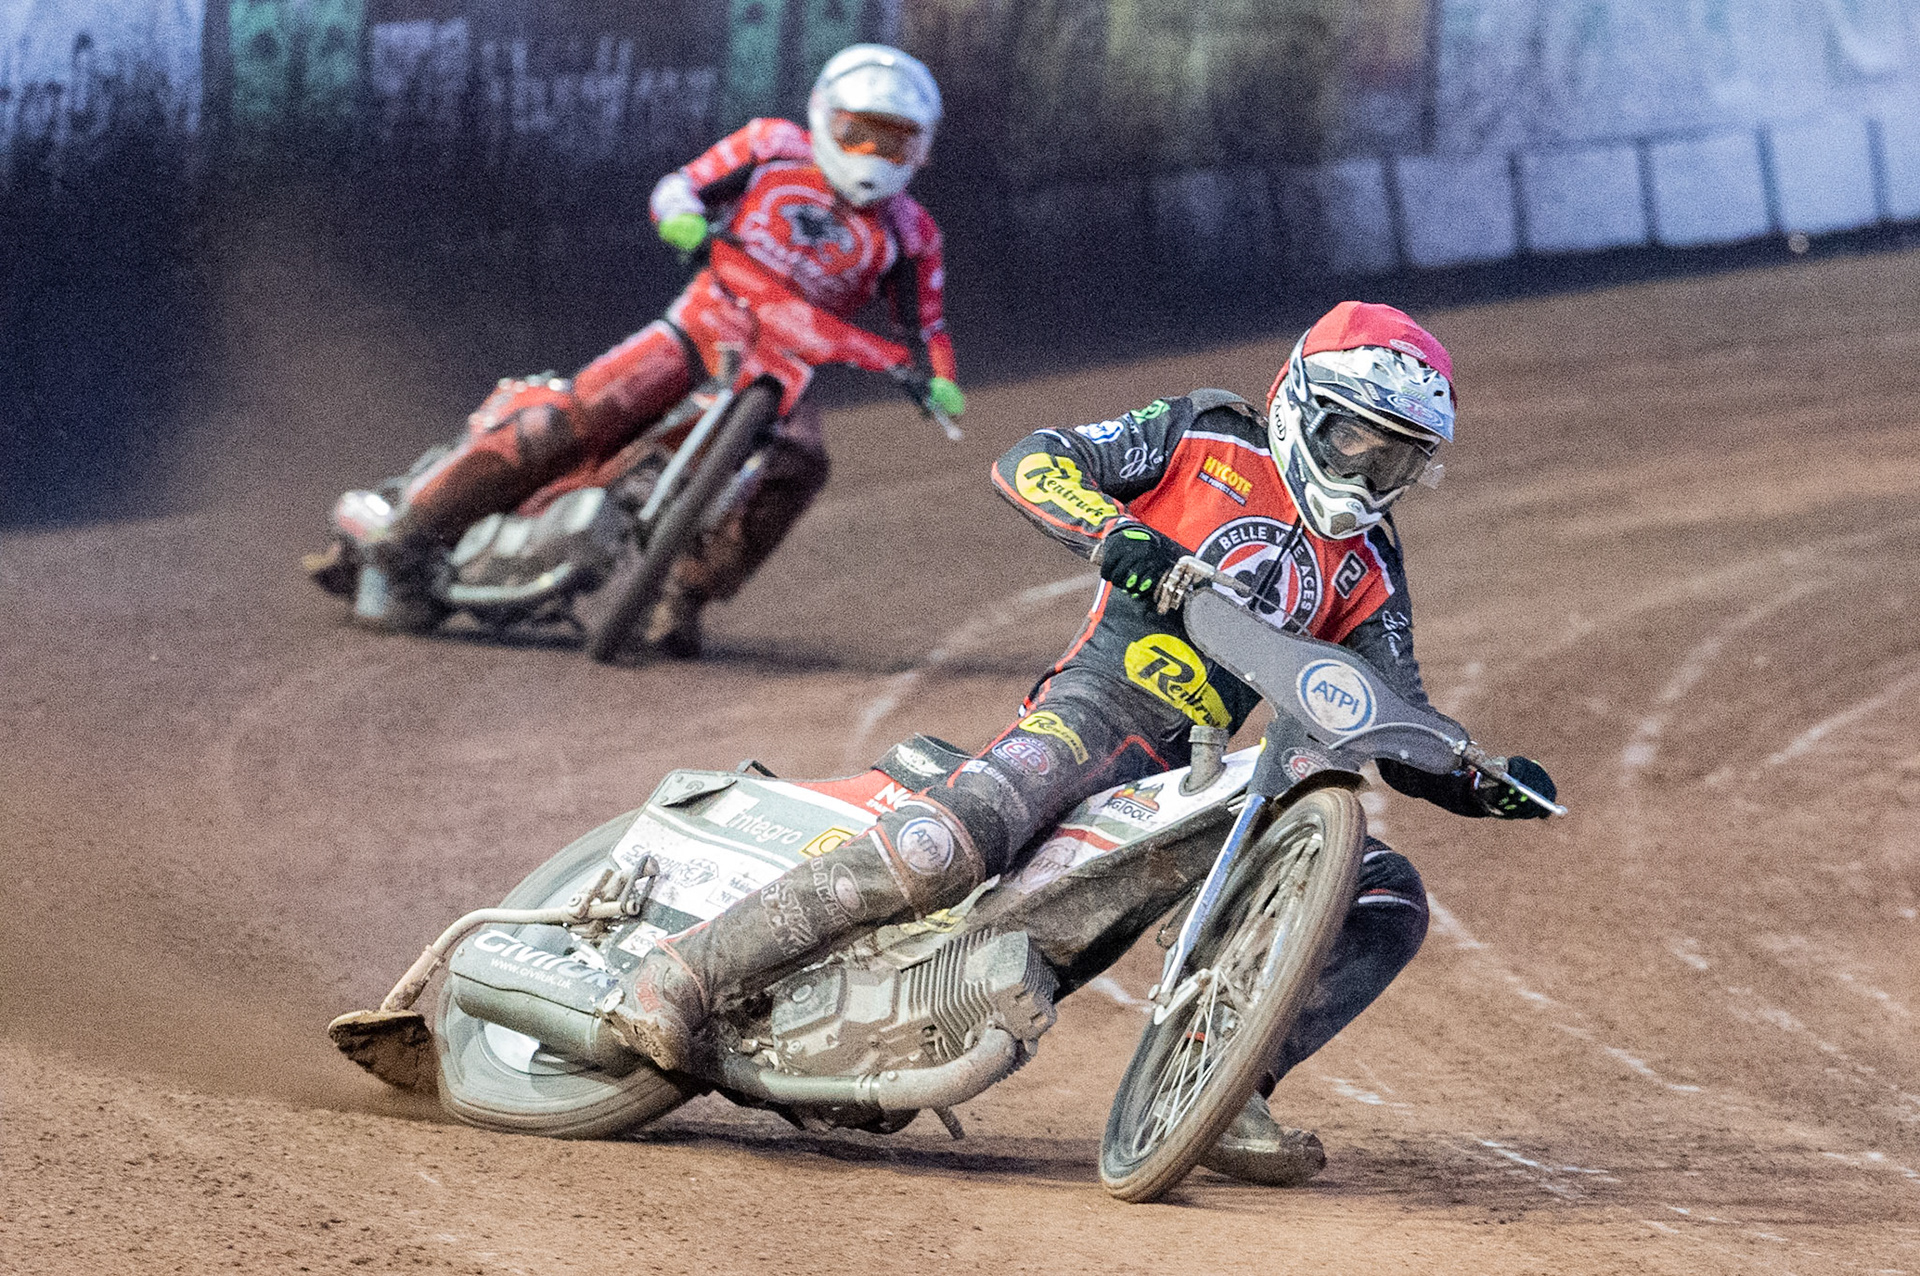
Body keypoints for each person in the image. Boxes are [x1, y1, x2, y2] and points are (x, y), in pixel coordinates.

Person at [610, 302, 1558, 1184]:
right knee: (953, 842)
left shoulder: (1372, 561)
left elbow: (1393, 713)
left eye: (1395, 462)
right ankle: (687, 973)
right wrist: (1116, 536)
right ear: (1305, 405)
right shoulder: (1206, 434)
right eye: (1355, 440)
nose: (1367, 474)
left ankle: (1224, 1091)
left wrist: (1478, 779)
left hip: (1214, 775)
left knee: (1388, 899)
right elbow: (1033, 459)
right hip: (1097, 709)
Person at [312, 44, 965, 653]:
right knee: (581, 416)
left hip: (789, 363)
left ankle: (685, 589)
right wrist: (680, 214)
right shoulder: (770, 147)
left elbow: (924, 327)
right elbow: (682, 184)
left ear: (923, 152)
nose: (874, 152)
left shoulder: (913, 234)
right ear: (826, 118)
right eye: (860, 131)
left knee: (802, 462)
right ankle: (409, 534)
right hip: (706, 321)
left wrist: (940, 378)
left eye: (895, 140)